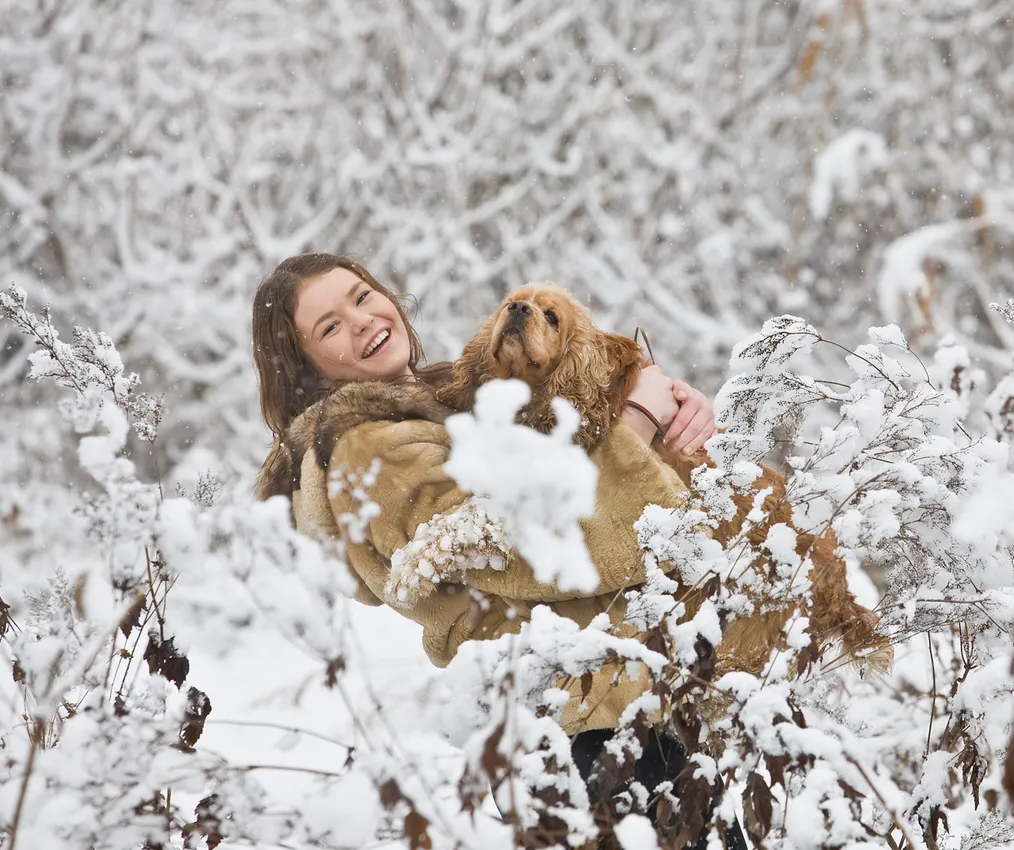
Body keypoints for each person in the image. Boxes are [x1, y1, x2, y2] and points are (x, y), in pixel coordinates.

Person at [251, 253, 744, 847]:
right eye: (328, 326)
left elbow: (569, 428)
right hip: (576, 719)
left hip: (622, 697)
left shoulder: (453, 401)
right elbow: (521, 547)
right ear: (304, 369)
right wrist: (637, 421)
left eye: (360, 296)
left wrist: (668, 405)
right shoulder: (368, 450)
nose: (359, 321)